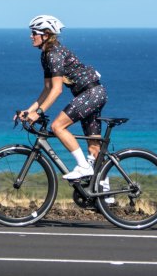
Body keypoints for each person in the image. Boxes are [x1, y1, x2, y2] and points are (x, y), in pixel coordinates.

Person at [17, 14, 108, 181]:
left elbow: (57, 90)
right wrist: (28, 111)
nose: (31, 36)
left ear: (45, 34)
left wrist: (38, 112)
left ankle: (83, 166)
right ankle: (106, 198)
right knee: (94, 149)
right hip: (93, 93)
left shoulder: (54, 54)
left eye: (34, 32)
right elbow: (47, 89)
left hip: (91, 94)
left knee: (58, 126)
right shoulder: (46, 55)